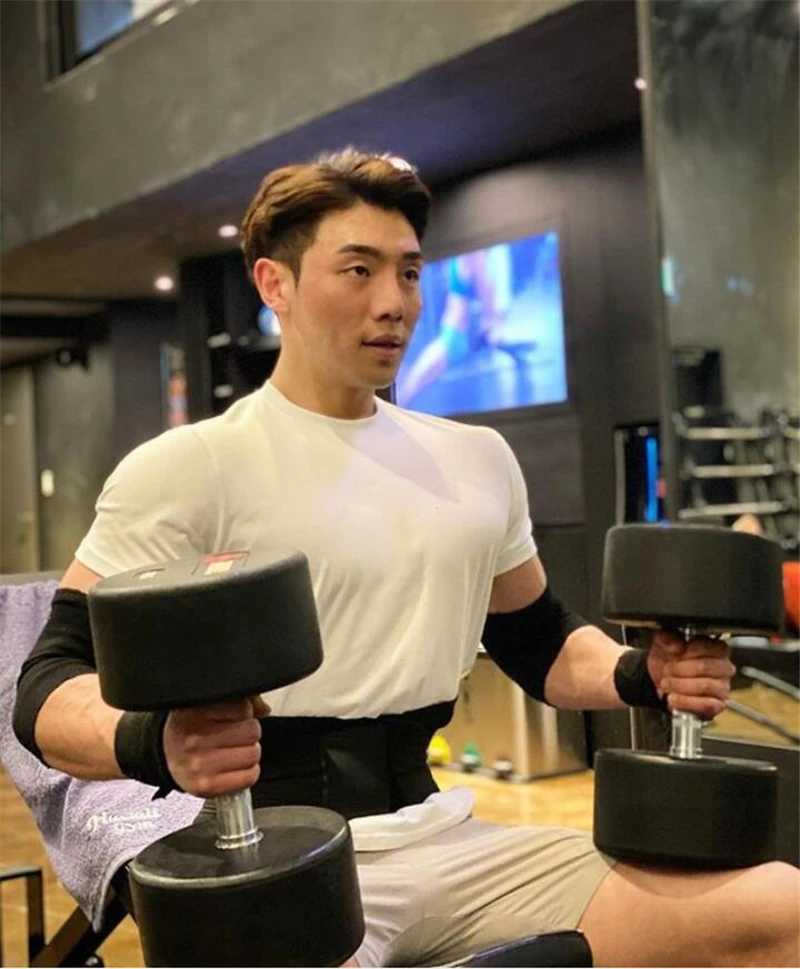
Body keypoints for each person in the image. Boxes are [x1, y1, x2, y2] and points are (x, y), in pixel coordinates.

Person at [13, 149, 799, 968]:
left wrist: (644, 672)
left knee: (778, 909)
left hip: (447, 838)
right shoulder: (189, 466)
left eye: (410, 272)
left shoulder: (476, 458)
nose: (394, 302)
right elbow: (48, 683)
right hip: (280, 856)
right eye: (358, 270)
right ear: (274, 284)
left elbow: (540, 640)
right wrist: (158, 741)